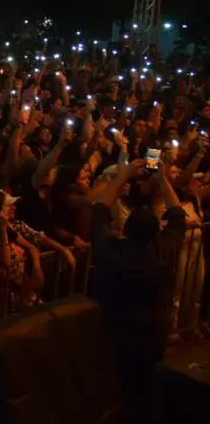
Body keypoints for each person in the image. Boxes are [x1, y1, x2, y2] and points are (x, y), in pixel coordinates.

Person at [90, 160, 186, 423]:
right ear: (157, 233)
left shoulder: (112, 251)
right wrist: (163, 180)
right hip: (153, 332)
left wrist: (123, 175)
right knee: (145, 387)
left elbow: (98, 210)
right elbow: (177, 214)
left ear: (126, 229)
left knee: (115, 385)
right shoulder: (164, 252)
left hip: (115, 330)